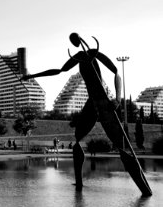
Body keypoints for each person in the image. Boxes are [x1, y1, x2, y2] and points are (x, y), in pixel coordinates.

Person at [21, 33, 151, 196]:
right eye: (72, 41)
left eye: (75, 40)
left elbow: (116, 72)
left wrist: (117, 99)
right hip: (92, 103)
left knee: (121, 146)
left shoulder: (95, 53)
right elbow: (59, 70)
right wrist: (32, 76)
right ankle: (79, 182)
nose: (74, 43)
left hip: (104, 102)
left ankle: (144, 188)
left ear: (81, 40)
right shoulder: (78, 57)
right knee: (76, 140)